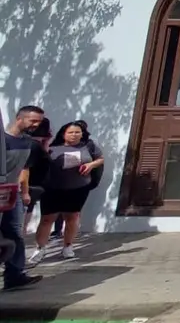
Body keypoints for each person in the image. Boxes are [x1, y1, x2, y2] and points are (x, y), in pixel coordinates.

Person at [30, 121, 103, 264]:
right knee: (47, 219)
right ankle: (40, 248)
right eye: (71, 132)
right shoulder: (53, 146)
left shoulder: (89, 145)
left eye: (77, 132)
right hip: (53, 188)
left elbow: (100, 159)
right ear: (63, 134)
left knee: (72, 217)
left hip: (78, 188)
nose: (74, 135)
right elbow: (40, 161)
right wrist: (45, 146)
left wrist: (90, 165)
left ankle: (68, 246)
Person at [1, 106, 44, 290]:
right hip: (1, 190)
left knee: (16, 234)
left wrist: (24, 191)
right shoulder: (3, 139)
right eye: (33, 121)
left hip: (12, 194)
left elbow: (24, 169)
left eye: (39, 122)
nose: (36, 125)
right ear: (19, 118)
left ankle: (14, 275)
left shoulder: (28, 142)